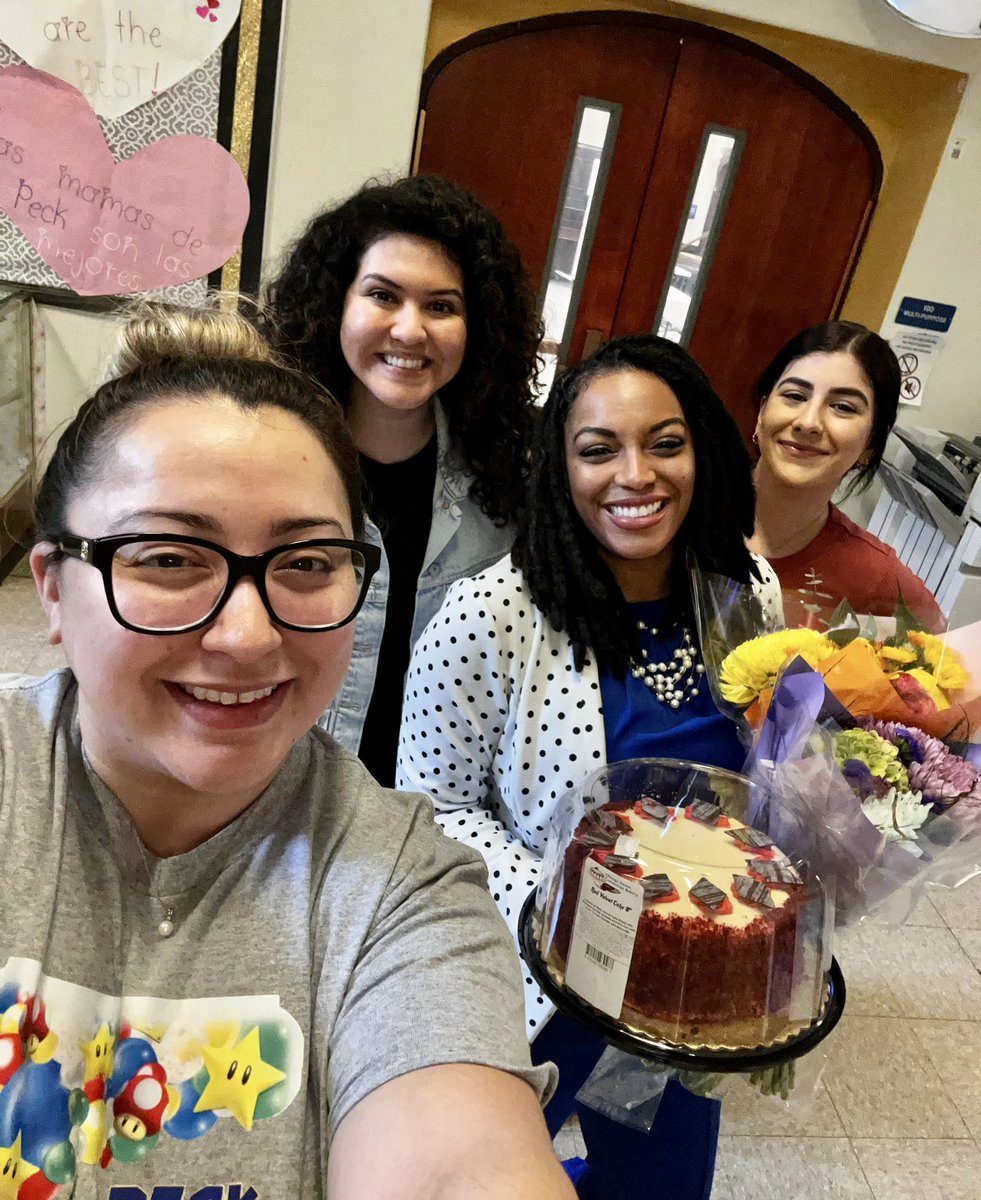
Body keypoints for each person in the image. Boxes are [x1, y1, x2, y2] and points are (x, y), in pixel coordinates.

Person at [0, 304, 575, 1199]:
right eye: (167, 557)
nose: (245, 634)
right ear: (51, 590)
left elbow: (462, 1158)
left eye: (306, 564)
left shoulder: (404, 888)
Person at [397, 334, 782, 1200]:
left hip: (685, 988)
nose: (635, 475)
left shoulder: (743, 586)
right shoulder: (492, 613)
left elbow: (772, 772)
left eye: (665, 443)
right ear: (560, 470)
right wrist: (578, 901)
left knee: (663, 1186)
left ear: (703, 451)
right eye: (597, 449)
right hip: (540, 974)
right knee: (473, 1182)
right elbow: (429, 810)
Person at [263, 173, 541, 785]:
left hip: (432, 806)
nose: (410, 331)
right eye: (383, 296)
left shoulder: (509, 483)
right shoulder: (265, 461)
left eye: (441, 306)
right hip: (282, 791)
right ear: (336, 301)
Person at [749, 320, 946, 630]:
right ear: (762, 413)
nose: (808, 422)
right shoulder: (682, 514)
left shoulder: (875, 577)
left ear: (870, 442)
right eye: (795, 396)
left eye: (842, 406)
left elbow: (951, 662)